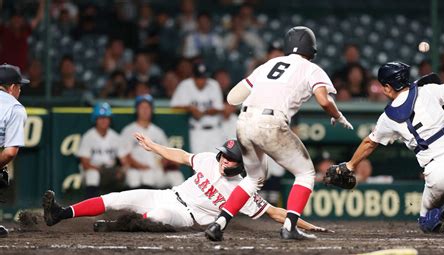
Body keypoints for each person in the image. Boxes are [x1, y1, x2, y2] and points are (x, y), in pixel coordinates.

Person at [204, 26, 353, 241]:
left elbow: (232, 99)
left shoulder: (269, 64)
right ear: (311, 49)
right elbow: (323, 99)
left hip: (244, 120)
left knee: (253, 179)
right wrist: (337, 115)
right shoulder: (311, 68)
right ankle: (290, 227)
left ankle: (219, 224)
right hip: (270, 122)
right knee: (305, 174)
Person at [43, 135, 330, 234]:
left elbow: (276, 213)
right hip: (169, 194)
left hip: (185, 216)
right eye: (223, 154)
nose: (223, 160)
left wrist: (305, 224)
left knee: (157, 218)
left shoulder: (243, 189)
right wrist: (155, 147)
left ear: (240, 165)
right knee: (116, 197)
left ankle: (114, 226)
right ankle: (60, 213)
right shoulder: (209, 159)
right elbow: (180, 155)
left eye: (229, 159)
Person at [326, 62, 444, 233]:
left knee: (428, 224)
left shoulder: (388, 117)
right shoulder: (427, 89)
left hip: (438, 171)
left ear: (387, 88)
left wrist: (350, 165)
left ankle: (441, 214)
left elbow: (369, 143)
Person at [119, 94, 184, 189]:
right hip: (136, 171)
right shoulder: (128, 130)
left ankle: (183, 203)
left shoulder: (158, 132)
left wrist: (168, 162)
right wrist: (140, 166)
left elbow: (166, 153)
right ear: (137, 109)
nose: (145, 110)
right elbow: (124, 157)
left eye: (148, 107)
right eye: (142, 107)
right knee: (137, 175)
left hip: (156, 171)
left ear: (151, 110)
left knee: (176, 176)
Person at [0, 64, 29, 237]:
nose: (19, 91)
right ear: (11, 88)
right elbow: (10, 152)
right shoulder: (14, 108)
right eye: (19, 86)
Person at [170, 62, 225, 153]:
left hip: (214, 131)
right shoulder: (185, 85)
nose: (202, 81)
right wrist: (190, 109)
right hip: (196, 131)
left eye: (204, 78)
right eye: (199, 78)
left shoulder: (213, 84)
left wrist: (202, 112)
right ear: (193, 77)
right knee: (197, 162)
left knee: (217, 162)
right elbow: (174, 107)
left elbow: (219, 108)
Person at [76, 102, 123, 198]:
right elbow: (85, 163)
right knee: (93, 174)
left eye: (106, 118)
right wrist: (100, 170)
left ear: (110, 119)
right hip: (93, 170)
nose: (104, 121)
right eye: (101, 118)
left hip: (110, 171)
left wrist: (121, 171)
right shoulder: (88, 136)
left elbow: (125, 159)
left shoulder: (115, 137)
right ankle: (90, 206)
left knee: (126, 174)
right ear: (95, 119)